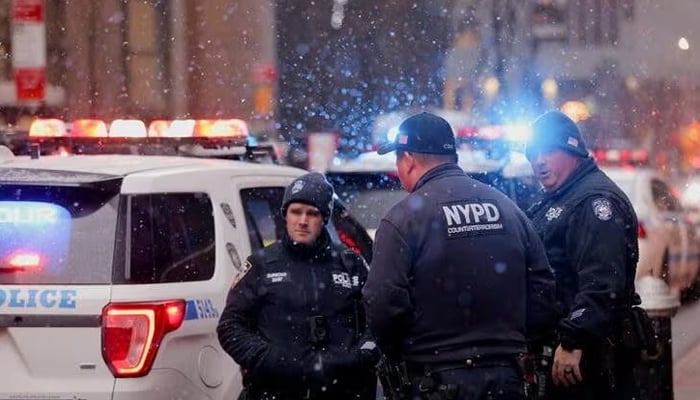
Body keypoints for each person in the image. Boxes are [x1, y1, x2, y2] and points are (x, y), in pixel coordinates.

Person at [363, 111, 558, 400]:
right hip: (507, 379)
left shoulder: (403, 219)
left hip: (435, 379)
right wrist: (521, 341)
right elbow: (542, 286)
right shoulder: (507, 209)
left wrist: (397, 350)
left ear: (408, 159)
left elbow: (382, 301)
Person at [217, 172, 378, 400]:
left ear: (324, 218)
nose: (302, 221)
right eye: (295, 211)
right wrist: (269, 359)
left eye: (312, 213)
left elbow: (378, 319)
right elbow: (230, 327)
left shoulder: (349, 263)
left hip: (341, 390)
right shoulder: (261, 265)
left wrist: (360, 355)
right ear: (285, 215)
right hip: (276, 390)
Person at [524, 111, 640, 399]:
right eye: (534, 153)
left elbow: (602, 283)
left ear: (572, 149)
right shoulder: (556, 197)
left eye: (548, 151)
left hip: (586, 358)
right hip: (560, 350)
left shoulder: (592, 202)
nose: (539, 160)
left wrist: (574, 339)